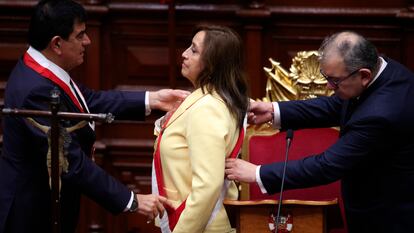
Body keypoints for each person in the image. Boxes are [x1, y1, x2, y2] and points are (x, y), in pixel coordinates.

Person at [0, 0, 189, 232]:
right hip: (30, 216)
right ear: (57, 44)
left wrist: (153, 99)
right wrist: (131, 200)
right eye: (80, 36)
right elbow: (70, 161)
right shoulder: (34, 89)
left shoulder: (43, 67)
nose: (87, 41)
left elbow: (87, 101)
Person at [225, 31, 414, 233]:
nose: (329, 87)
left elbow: (327, 166)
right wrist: (274, 110)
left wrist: (257, 173)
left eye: (334, 81)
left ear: (364, 75)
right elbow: (336, 105)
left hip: (388, 219)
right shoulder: (381, 68)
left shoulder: (382, 114)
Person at [151, 25, 249, 233]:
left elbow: (207, 186)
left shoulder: (207, 107)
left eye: (194, 50)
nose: (184, 54)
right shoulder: (206, 99)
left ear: (212, 65)